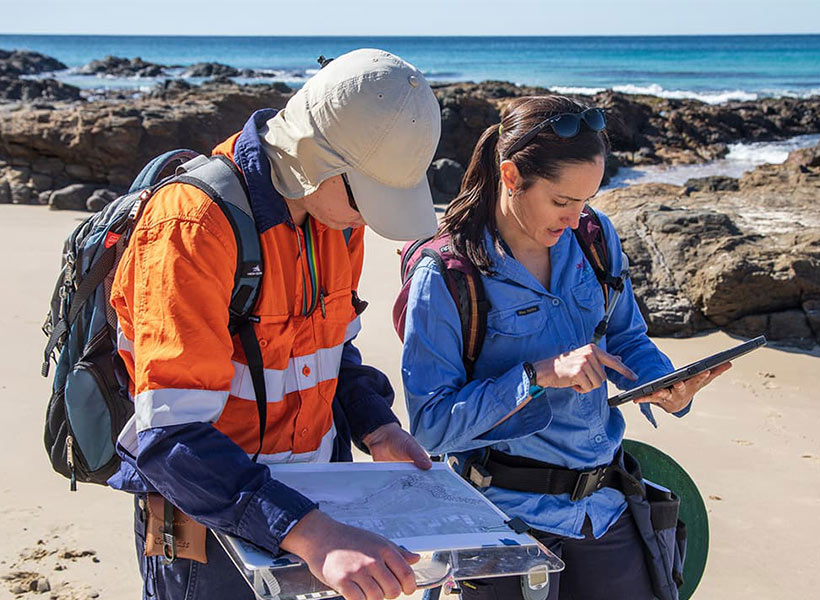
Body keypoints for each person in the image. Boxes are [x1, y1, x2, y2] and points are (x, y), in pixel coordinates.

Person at [108, 49, 441, 600]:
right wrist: (315, 535)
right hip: (214, 530)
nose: (369, 217)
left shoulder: (338, 218)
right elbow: (169, 439)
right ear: (316, 159)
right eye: (367, 198)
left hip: (320, 513)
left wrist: (376, 427)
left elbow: (333, 354)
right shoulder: (192, 225)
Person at [400, 95, 730, 600]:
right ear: (511, 176)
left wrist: (663, 385)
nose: (576, 219)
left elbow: (627, 337)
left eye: (586, 200)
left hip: (606, 507)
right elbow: (431, 427)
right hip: (503, 519)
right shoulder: (446, 275)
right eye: (561, 202)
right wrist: (537, 376)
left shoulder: (595, 236)